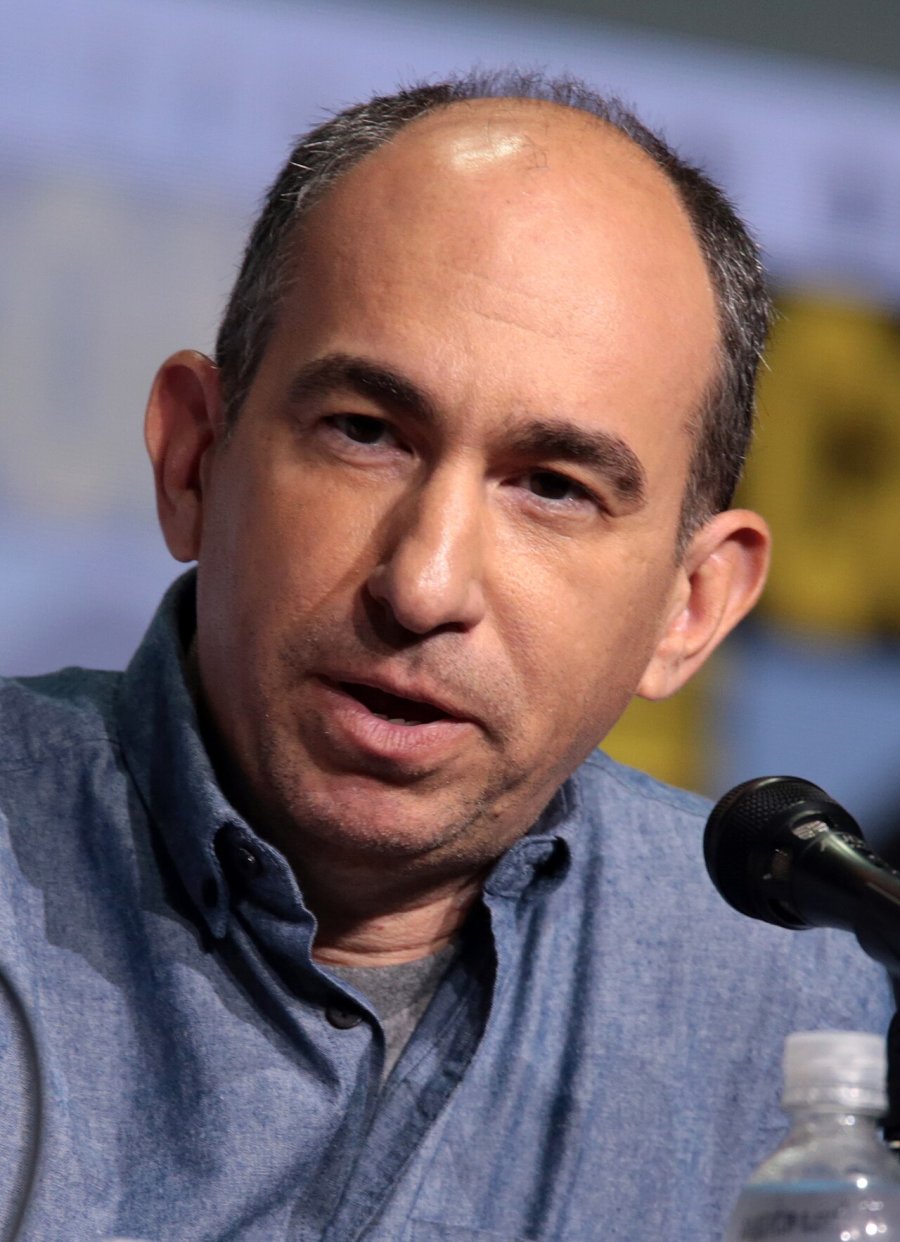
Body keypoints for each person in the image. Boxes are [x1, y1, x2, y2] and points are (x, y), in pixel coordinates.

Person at [0, 70, 891, 1241]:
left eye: (553, 488)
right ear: (194, 460)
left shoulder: (804, 1007)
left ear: (692, 606)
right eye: (366, 433)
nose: (424, 585)